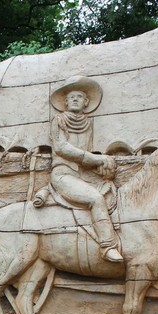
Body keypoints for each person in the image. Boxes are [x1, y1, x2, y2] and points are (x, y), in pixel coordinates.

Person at [49, 76, 123, 262]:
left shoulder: (88, 123)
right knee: (95, 198)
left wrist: (103, 165)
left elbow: (87, 152)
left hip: (83, 175)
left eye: (79, 97)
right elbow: (61, 148)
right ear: (65, 102)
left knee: (112, 191)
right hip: (63, 174)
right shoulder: (59, 120)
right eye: (71, 97)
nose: (75, 99)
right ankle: (107, 246)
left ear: (86, 102)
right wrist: (95, 159)